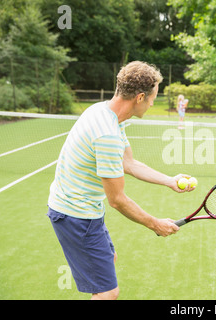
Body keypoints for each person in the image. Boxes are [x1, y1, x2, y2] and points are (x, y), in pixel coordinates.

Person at [47, 61, 195, 300]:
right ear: (139, 97)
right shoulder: (107, 135)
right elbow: (117, 200)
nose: (152, 102)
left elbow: (129, 163)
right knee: (108, 293)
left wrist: (169, 180)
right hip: (75, 214)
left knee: (110, 258)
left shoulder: (106, 113)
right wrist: (155, 224)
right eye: (152, 97)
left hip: (85, 209)